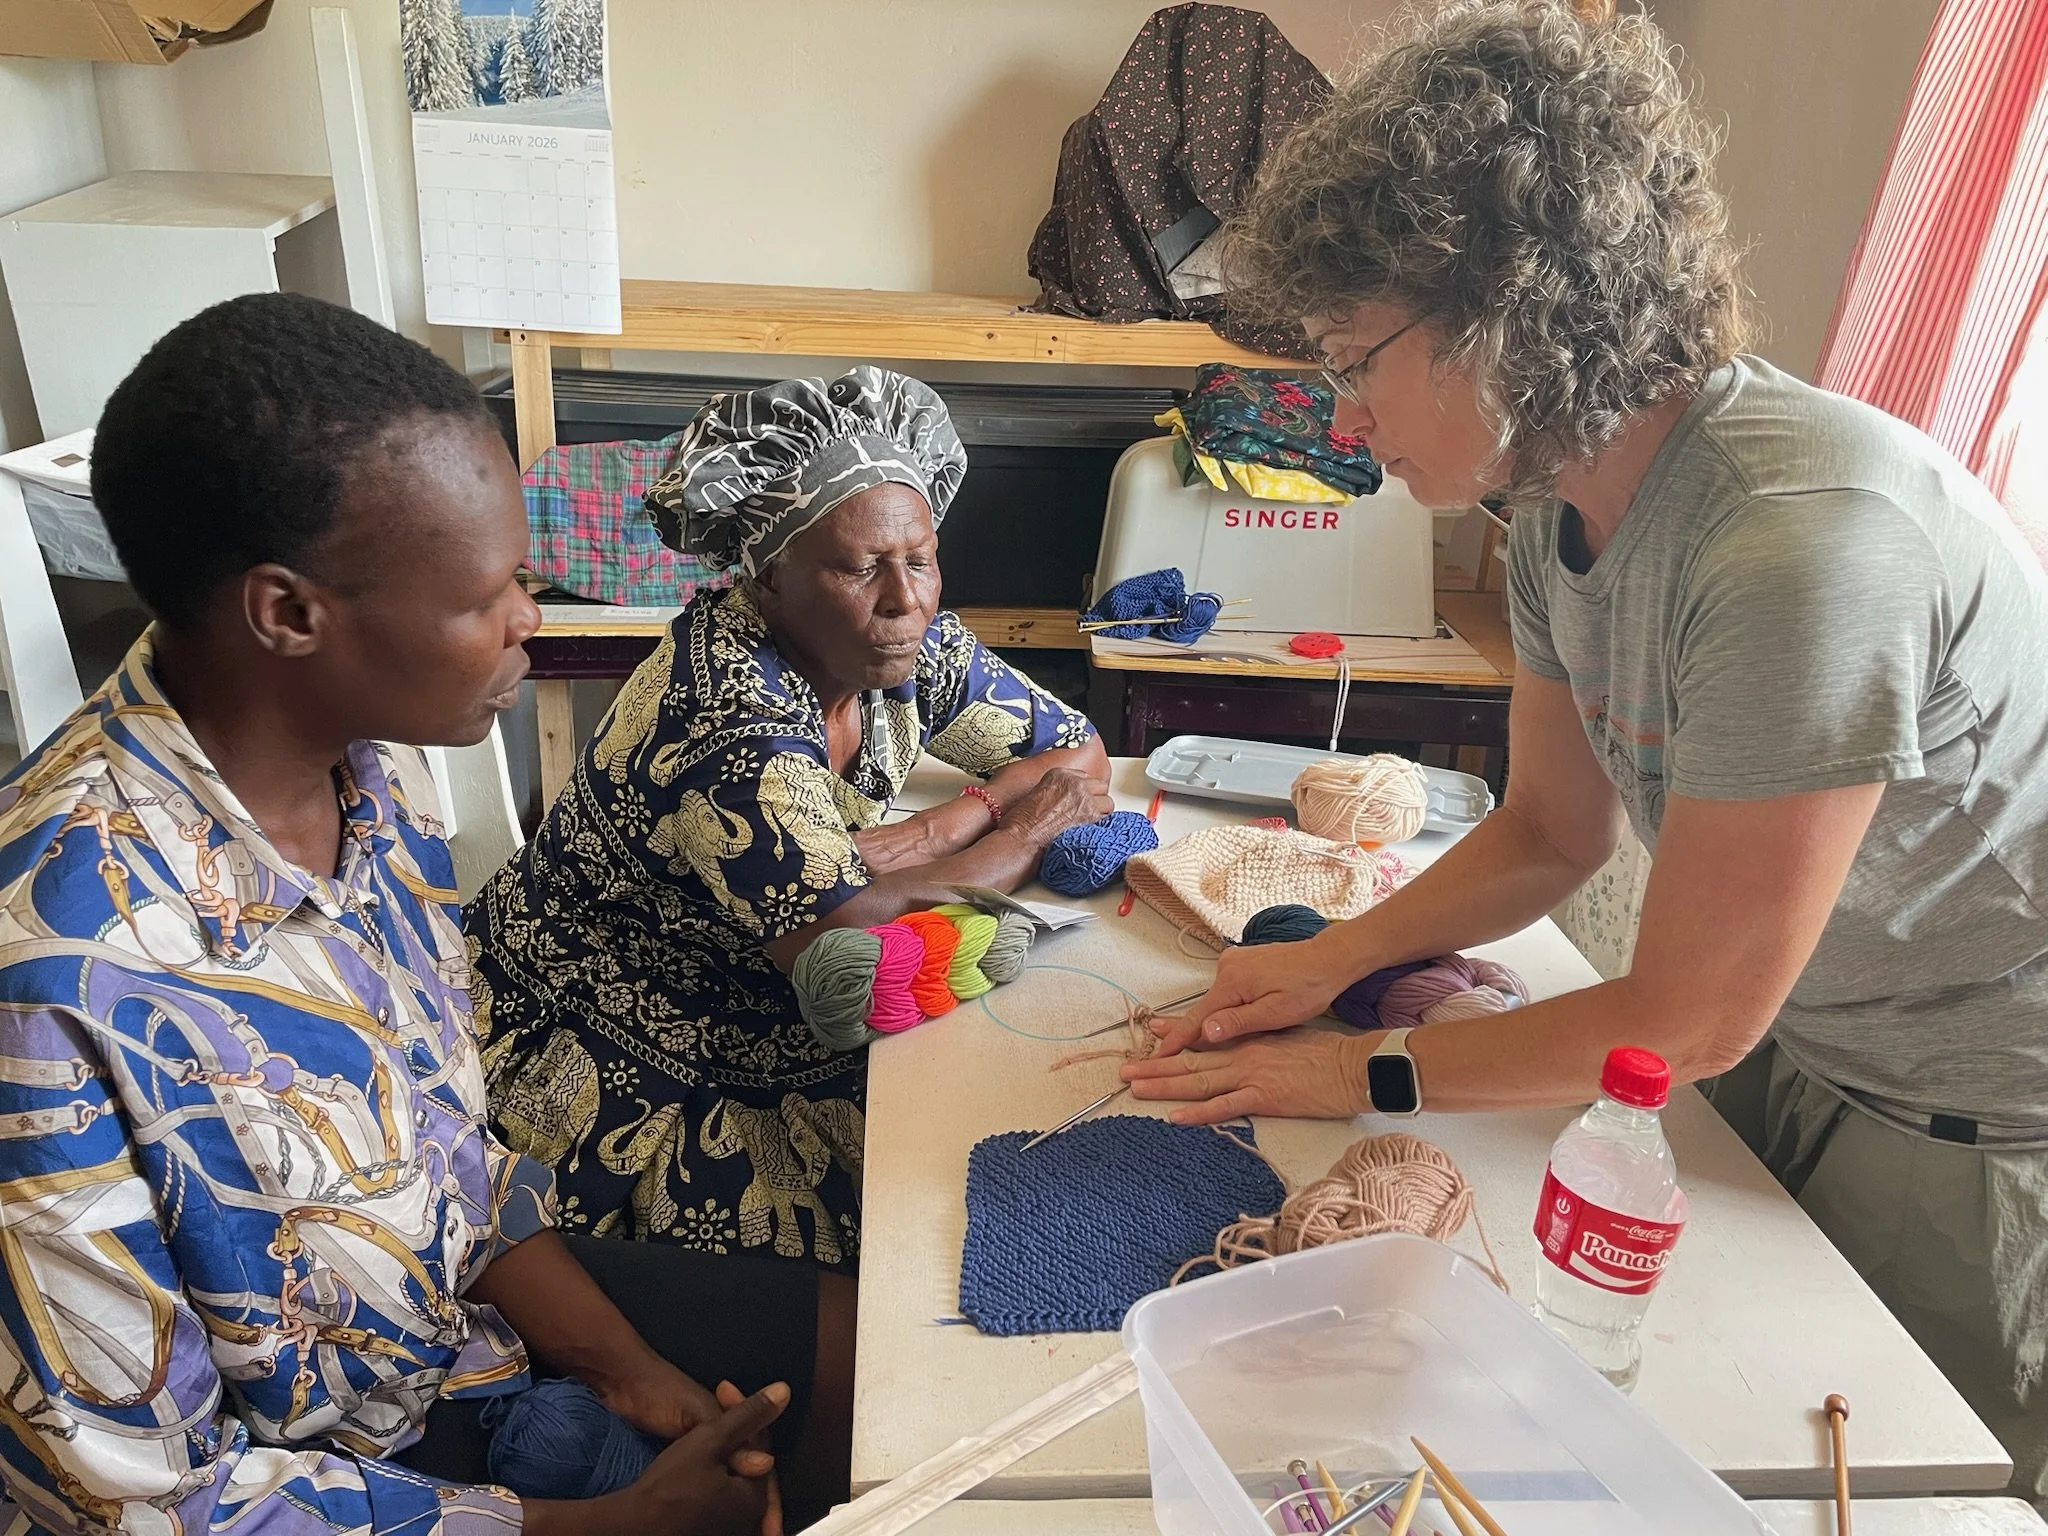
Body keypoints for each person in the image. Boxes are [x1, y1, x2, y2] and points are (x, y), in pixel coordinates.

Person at [1121, 0, 2048, 1500]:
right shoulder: (1556, 506)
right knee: (1684, 1414)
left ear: (1508, 313)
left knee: (1897, 1477)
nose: (1344, 423)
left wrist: (1358, 1071)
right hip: (1815, 1042)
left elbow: (1686, 1017)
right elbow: (1554, 832)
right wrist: (1329, 957)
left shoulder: (1799, 544)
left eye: (1359, 361)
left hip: (1982, 1112)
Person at [0, 292, 849, 1534]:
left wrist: (626, 1371)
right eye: (488, 593)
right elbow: (140, 1505)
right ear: (290, 613)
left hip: (456, 1343)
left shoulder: (373, 776)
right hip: (294, 1479)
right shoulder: (56, 970)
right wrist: (612, 1527)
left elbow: (449, 1160)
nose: (530, 618)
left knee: (869, 1355)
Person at [466, 368, 1110, 1271]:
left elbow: (1079, 755)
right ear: (768, 580)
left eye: (919, 558)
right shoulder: (724, 711)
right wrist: (1025, 830)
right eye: (858, 568)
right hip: (626, 1039)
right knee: (903, 1223)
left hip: (756, 981)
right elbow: (840, 934)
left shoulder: (900, 641)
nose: (906, 598)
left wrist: (942, 826)